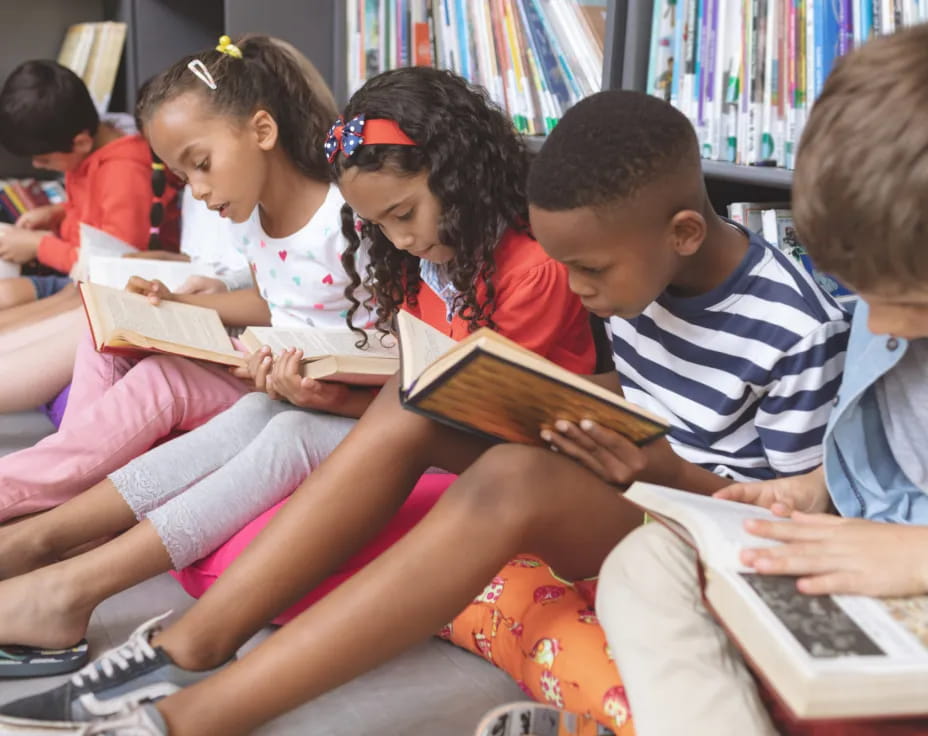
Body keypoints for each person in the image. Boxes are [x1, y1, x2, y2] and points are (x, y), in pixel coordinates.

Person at [0, 88, 848, 733]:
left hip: (701, 529)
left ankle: (190, 716)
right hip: (633, 479)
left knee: (511, 477)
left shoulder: (794, 326)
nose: (582, 293)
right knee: (414, 402)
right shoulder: (639, 270)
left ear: (686, 233)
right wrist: (579, 410)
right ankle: (193, 647)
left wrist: (659, 467)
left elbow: (783, 523)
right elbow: (637, 392)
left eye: (589, 275)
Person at [594, 23, 928, 736]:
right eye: (862, 293)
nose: (884, 323)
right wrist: (814, 490)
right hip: (861, 541)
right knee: (644, 568)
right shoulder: (890, 281)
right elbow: (881, 451)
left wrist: (914, 553)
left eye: (912, 303)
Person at [0, 34, 358, 522]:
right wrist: (174, 305)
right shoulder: (253, 219)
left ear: (263, 130)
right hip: (264, 359)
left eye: (203, 166)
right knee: (107, 334)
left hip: (308, 383)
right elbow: (270, 302)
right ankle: (70, 474)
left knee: (161, 382)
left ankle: (37, 487)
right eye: (185, 179)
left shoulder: (346, 220)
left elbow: (384, 341)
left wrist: (332, 390)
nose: (201, 192)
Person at [0, 60, 169, 413]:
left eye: (44, 160)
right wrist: (56, 213)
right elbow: (95, 215)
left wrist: (39, 246)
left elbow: (115, 261)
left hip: (92, 282)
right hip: (74, 276)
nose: (38, 167)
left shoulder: (124, 172)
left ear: (80, 141)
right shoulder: (87, 155)